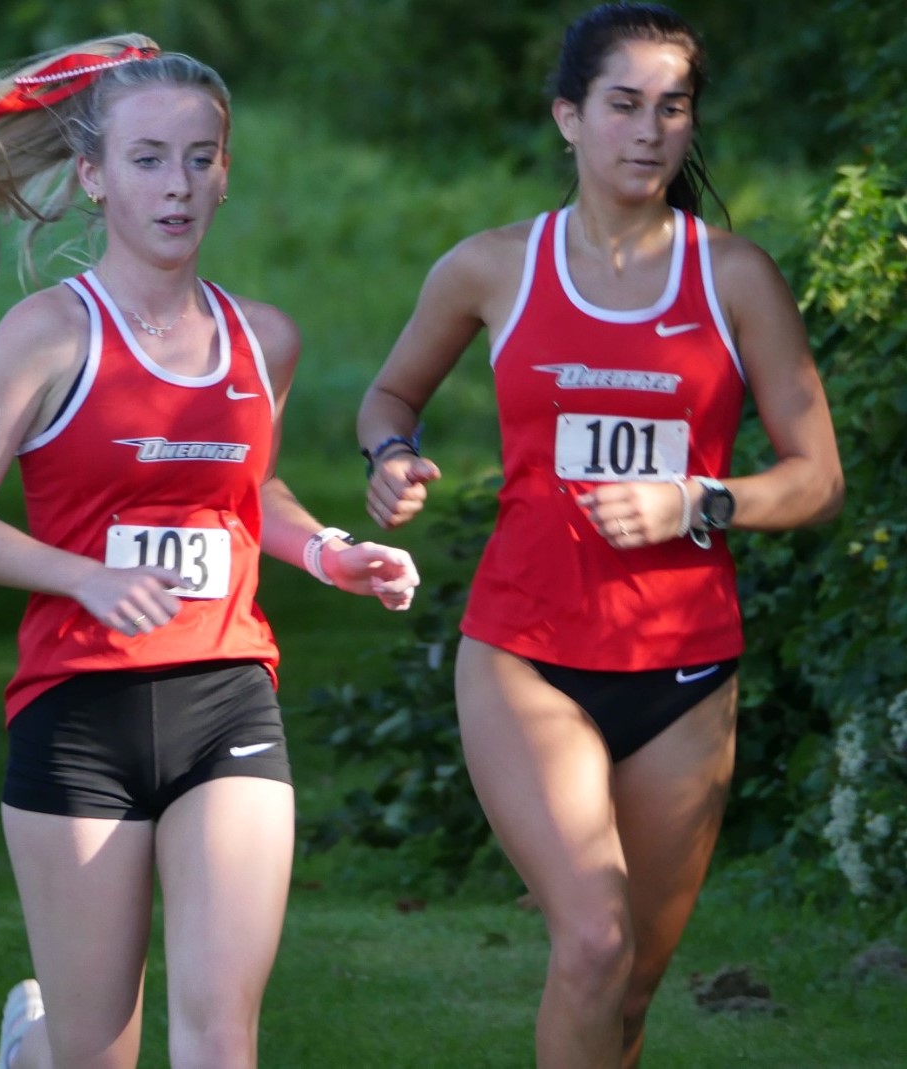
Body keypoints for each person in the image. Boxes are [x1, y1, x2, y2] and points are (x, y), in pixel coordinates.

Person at [0, 34, 422, 1069]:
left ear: (226, 175)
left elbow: (245, 490)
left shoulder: (263, 339)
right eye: (149, 159)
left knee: (219, 1040)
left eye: (201, 159)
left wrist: (328, 552)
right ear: (96, 176)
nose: (178, 186)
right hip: (78, 710)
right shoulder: (48, 333)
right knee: (98, 1052)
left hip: (227, 696)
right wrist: (84, 576)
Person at [357, 4, 843, 1066]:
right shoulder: (492, 267)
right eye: (623, 105)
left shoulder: (735, 278)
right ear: (568, 117)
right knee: (590, 939)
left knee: (629, 990)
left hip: (683, 666)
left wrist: (698, 501)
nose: (650, 131)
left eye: (673, 107)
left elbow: (818, 479)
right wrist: (389, 459)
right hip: (525, 650)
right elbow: (391, 393)